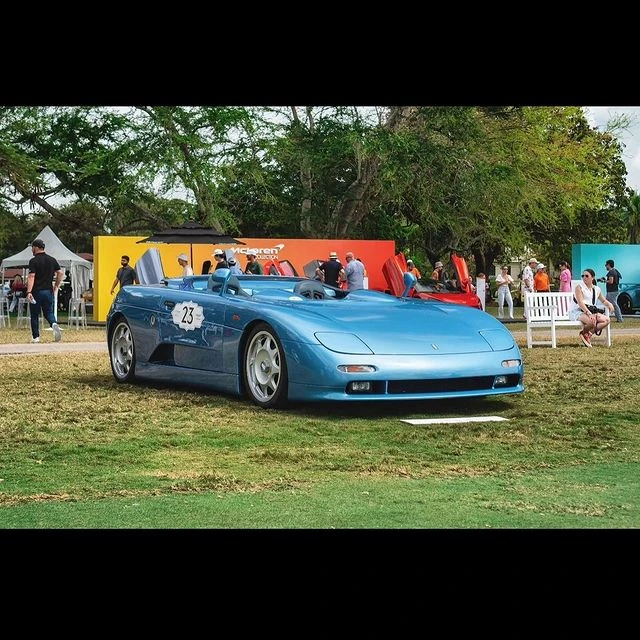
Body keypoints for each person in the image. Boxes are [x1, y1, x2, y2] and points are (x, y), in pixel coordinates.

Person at [25, 238, 64, 343]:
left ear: (36, 248)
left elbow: (31, 276)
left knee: (34, 314)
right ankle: (53, 324)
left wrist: (29, 292)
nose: (32, 249)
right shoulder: (52, 259)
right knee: (48, 312)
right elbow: (60, 273)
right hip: (48, 291)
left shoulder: (33, 261)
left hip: (36, 291)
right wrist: (56, 285)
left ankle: (36, 337)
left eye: (32, 247)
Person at [570, 268, 614, 348]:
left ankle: (588, 334)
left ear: (592, 277)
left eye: (586, 276)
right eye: (582, 276)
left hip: (590, 311)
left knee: (607, 320)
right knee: (592, 321)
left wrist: (610, 304)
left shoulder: (596, 289)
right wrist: (588, 313)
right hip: (578, 311)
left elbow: (603, 301)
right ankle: (584, 333)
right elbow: (580, 303)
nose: (584, 278)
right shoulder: (579, 287)